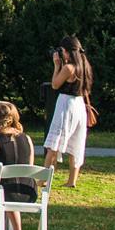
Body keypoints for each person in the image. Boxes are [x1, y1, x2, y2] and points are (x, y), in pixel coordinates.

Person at [42, 38, 94, 190]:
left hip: (66, 105)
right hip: (79, 105)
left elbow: (55, 84)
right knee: (76, 143)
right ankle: (72, 180)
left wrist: (57, 66)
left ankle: (43, 179)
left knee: (54, 142)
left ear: (67, 51)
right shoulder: (84, 66)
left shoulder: (69, 68)